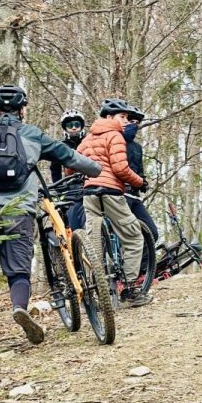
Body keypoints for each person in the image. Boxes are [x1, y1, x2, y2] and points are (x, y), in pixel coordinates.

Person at [0, 84, 102, 363]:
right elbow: (68, 156)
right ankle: (19, 308)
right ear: (23, 110)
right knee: (19, 271)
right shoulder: (33, 135)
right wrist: (96, 169)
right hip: (19, 212)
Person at [77, 98, 153, 307]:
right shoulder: (115, 136)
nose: (126, 121)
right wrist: (139, 181)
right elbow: (120, 169)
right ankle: (129, 290)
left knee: (94, 244)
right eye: (122, 117)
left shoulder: (87, 138)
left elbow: (71, 166)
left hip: (89, 193)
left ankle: (97, 294)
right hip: (111, 191)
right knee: (133, 237)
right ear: (109, 117)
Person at [122, 106, 159, 241]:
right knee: (127, 233)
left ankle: (143, 262)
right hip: (120, 194)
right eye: (132, 121)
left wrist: (143, 182)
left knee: (151, 233)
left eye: (138, 123)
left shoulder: (137, 147)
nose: (135, 125)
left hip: (134, 195)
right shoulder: (116, 140)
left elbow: (140, 169)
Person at [51, 110, 87, 229]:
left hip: (91, 185)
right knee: (72, 223)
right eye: (70, 125)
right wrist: (59, 188)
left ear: (82, 126)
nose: (74, 128)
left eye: (77, 124)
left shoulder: (89, 142)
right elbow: (55, 169)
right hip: (71, 189)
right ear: (65, 128)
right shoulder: (60, 146)